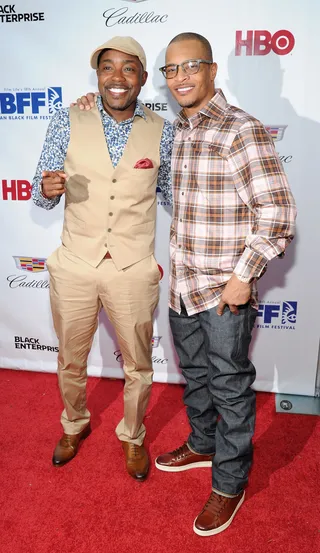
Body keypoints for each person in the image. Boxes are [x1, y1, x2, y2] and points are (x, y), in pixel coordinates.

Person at [76, 32, 296, 536]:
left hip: (224, 290)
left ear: (213, 70)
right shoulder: (179, 130)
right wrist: (90, 109)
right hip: (183, 287)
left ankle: (230, 481)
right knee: (196, 375)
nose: (180, 78)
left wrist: (243, 279)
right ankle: (202, 443)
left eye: (190, 66)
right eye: (171, 70)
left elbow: (278, 214)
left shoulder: (241, 130)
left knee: (230, 385)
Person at [32, 36, 173, 481]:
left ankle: (133, 434)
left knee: (138, 364)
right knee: (70, 358)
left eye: (128, 69)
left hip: (132, 266)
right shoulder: (67, 117)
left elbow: (172, 194)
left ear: (143, 79)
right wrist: (46, 189)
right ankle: (74, 424)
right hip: (75, 260)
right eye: (107, 68)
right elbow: (44, 184)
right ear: (97, 75)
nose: (117, 78)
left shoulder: (163, 129)